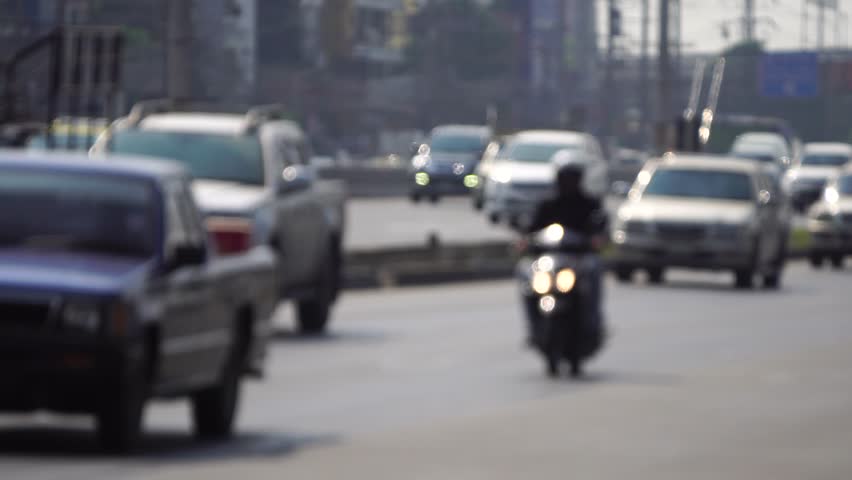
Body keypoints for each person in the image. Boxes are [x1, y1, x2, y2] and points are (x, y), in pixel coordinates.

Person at [522, 153, 608, 347]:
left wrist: (596, 239)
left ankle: (593, 323)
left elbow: (600, 226)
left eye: (572, 178)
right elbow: (531, 229)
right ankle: (534, 327)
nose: (568, 182)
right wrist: (526, 241)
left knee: (595, 269)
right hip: (550, 260)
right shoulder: (547, 204)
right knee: (524, 273)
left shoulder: (589, 204)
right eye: (565, 178)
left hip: (580, 259)